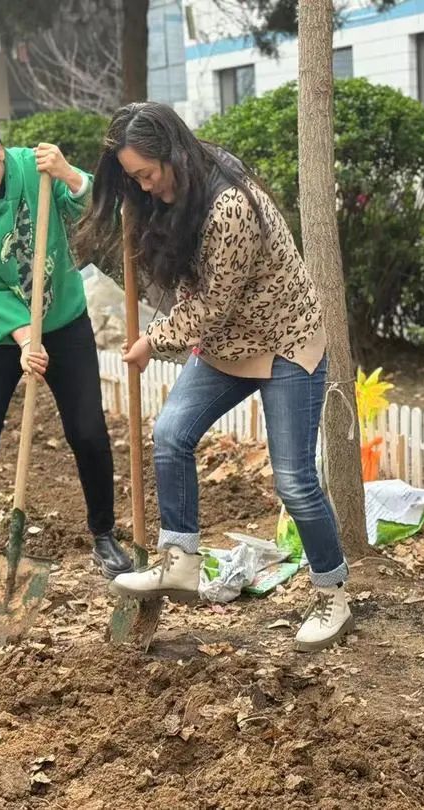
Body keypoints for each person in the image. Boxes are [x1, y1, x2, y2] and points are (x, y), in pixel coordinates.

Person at [74, 102, 353, 652]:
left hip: (283, 345)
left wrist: (153, 342)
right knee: (171, 436)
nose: (145, 188)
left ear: (173, 154)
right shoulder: (172, 189)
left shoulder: (228, 204)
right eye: (135, 179)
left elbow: (213, 305)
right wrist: (116, 190)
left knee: (294, 481)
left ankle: (333, 593)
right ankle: (179, 561)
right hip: (227, 346)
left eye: (147, 175)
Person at [0, 110, 133, 608]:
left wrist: (68, 173)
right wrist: (21, 335)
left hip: (64, 321)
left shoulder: (32, 171)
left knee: (87, 431)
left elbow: (99, 208)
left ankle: (103, 535)